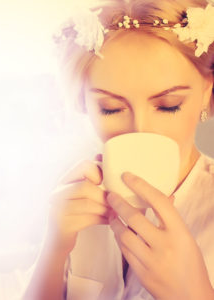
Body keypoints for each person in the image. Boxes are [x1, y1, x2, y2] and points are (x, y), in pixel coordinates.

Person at [20, 0, 214, 299]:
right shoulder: (76, 201)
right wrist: (55, 246)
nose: (141, 131)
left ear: (206, 91)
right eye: (111, 109)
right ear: (84, 103)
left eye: (168, 105)